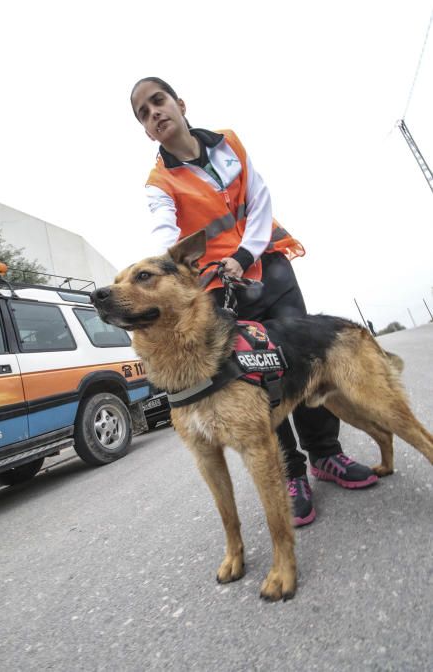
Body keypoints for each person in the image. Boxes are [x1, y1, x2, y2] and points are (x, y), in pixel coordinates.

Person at [130, 77, 378, 527]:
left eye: (158, 101)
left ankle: (326, 455)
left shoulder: (228, 143)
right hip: (219, 290)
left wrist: (244, 254)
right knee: (257, 380)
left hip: (268, 265)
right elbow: (166, 234)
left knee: (306, 359)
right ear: (147, 132)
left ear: (180, 104)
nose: (155, 114)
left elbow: (259, 201)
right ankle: (290, 473)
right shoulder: (158, 183)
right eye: (144, 114)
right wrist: (166, 273)